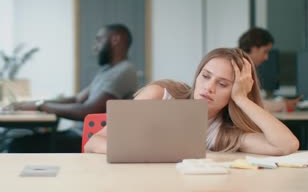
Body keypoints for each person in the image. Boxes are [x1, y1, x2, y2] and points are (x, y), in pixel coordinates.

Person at [85, 48, 299, 155]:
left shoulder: (223, 134)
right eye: (206, 76)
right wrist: (153, 152)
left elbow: (286, 145)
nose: (209, 88)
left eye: (223, 84)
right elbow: (93, 143)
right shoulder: (161, 95)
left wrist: (242, 99)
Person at [9, 23, 138, 152]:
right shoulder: (107, 70)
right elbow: (78, 99)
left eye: (99, 40)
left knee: (19, 145)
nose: (95, 47)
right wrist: (34, 104)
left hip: (91, 139)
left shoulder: (124, 72)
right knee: (20, 141)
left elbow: (87, 112)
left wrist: (41, 106)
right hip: (80, 134)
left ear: (115, 39)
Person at [238, 27, 302, 112]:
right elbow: (252, 105)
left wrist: (281, 103)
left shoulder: (244, 66)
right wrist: (283, 104)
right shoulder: (239, 68)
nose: (266, 57)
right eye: (265, 51)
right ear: (254, 48)